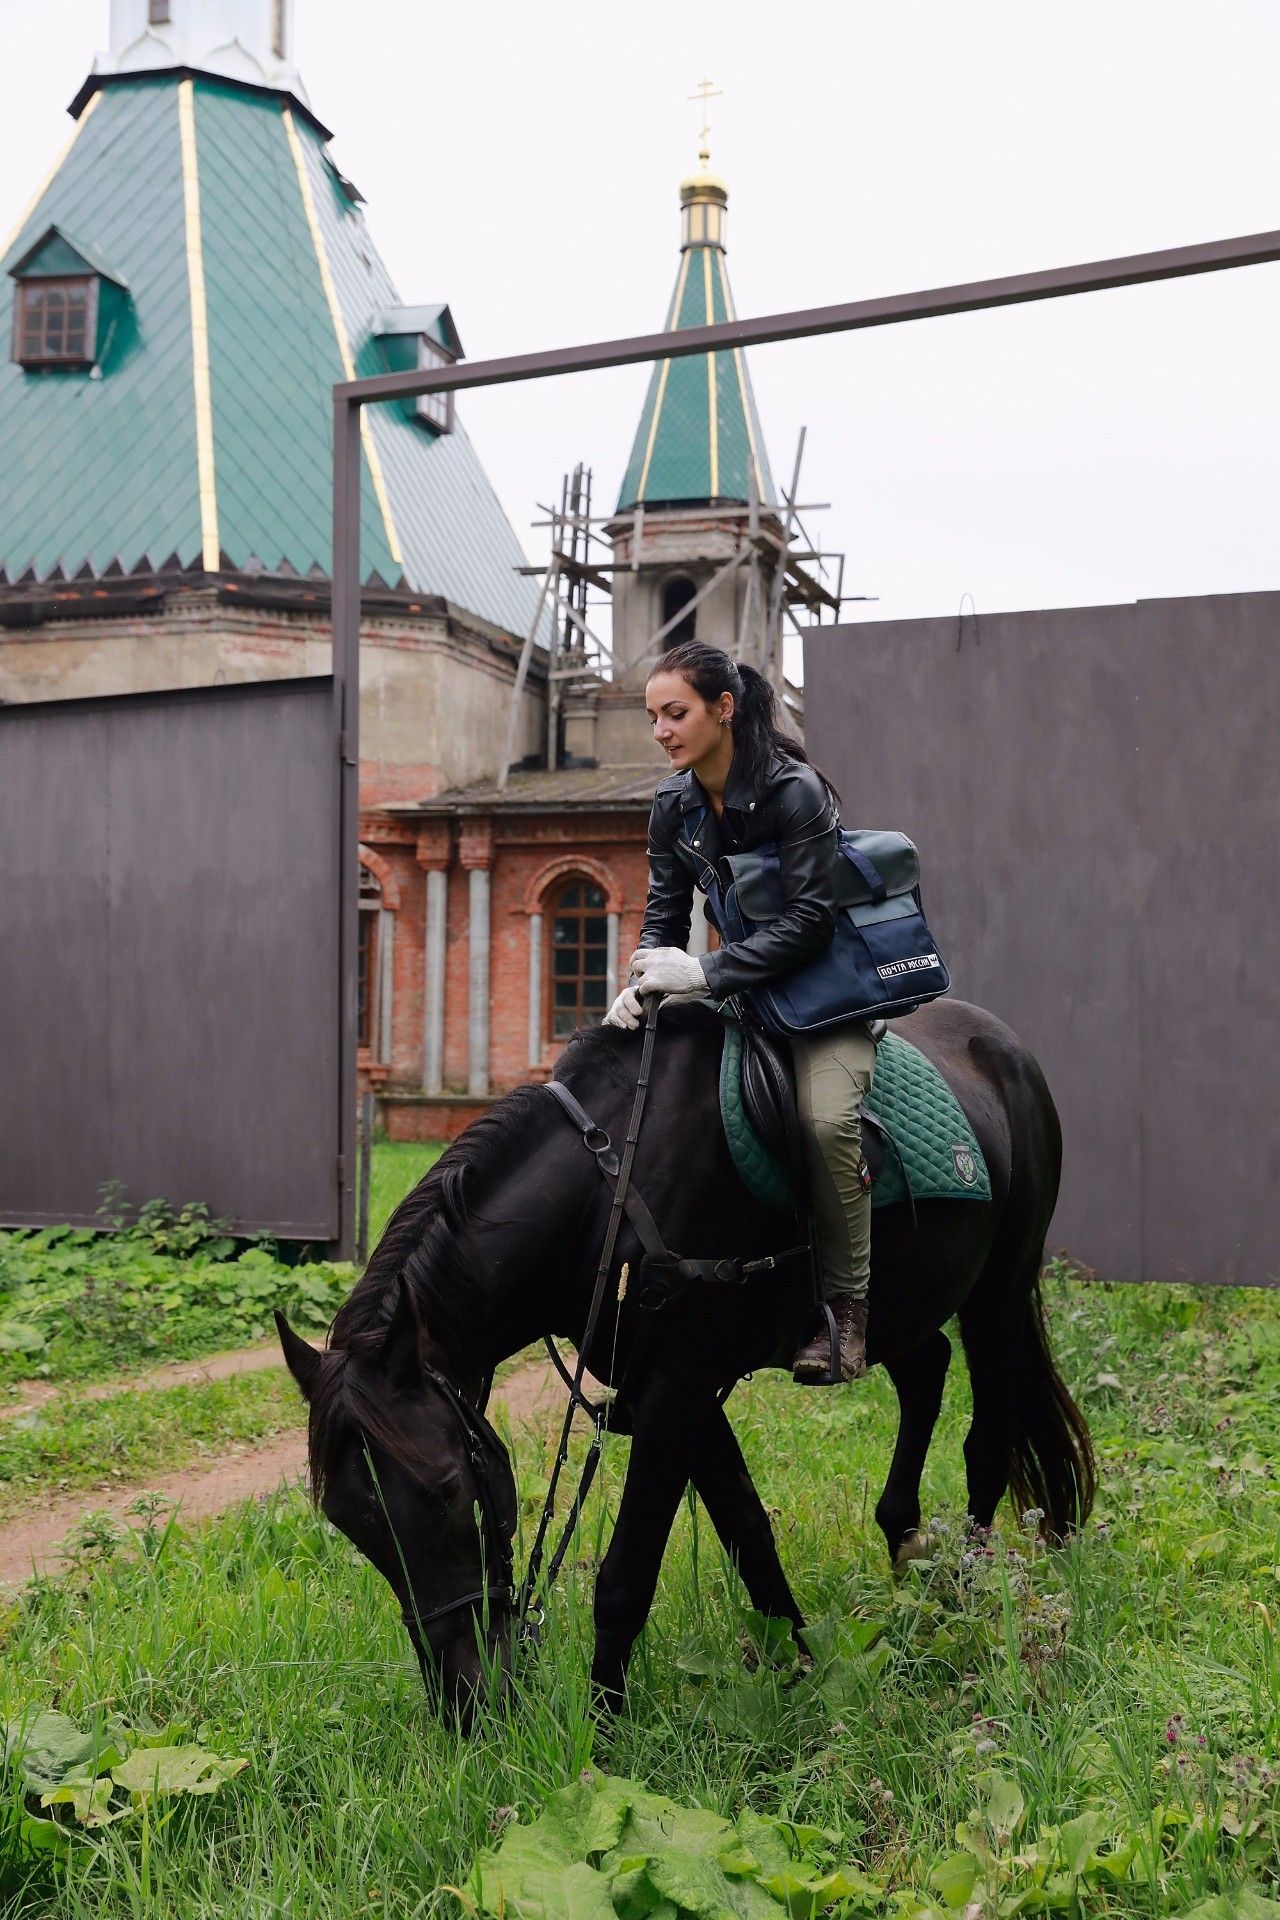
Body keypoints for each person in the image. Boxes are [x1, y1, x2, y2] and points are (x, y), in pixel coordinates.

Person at [603, 640, 876, 1383]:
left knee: (825, 1122)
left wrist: (705, 969)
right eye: (653, 715)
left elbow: (813, 922)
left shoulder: (795, 793)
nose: (661, 729)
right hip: (739, 994)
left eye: (676, 712)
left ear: (724, 710)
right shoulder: (673, 804)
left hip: (826, 999)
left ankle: (847, 1311)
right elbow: (663, 913)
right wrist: (644, 979)